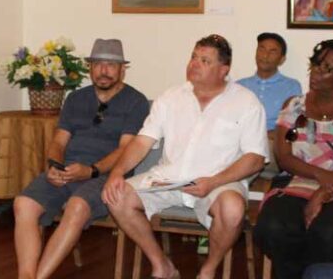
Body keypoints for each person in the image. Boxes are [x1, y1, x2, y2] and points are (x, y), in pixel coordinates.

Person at [102, 34, 268, 279]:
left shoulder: (246, 102)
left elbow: (255, 158)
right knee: (116, 197)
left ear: (224, 69)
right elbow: (141, 141)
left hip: (218, 183)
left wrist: (213, 182)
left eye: (204, 60)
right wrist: (116, 174)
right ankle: (162, 265)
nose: (194, 64)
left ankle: (208, 270)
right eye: (193, 57)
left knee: (232, 210)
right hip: (169, 178)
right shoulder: (171, 97)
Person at [13, 38, 149, 279]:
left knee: (76, 207)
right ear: (90, 68)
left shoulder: (136, 102)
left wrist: (92, 170)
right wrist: (54, 166)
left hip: (108, 175)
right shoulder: (76, 99)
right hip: (68, 171)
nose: (103, 71)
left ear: (122, 70)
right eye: (97, 64)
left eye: (110, 65)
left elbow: (126, 150)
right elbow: (58, 141)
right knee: (23, 204)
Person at [254, 39, 333, 279]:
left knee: (327, 231)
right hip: (298, 182)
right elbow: (284, 157)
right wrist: (319, 176)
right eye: (316, 64)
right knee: (272, 227)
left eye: (327, 69)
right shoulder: (294, 106)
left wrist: (323, 193)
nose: (317, 72)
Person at [238, 32, 303, 175]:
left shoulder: (291, 86)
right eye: (261, 49)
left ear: (282, 59)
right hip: (242, 141)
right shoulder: (239, 86)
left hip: (271, 143)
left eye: (272, 51)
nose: (265, 55)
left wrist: (275, 133)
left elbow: (294, 123)